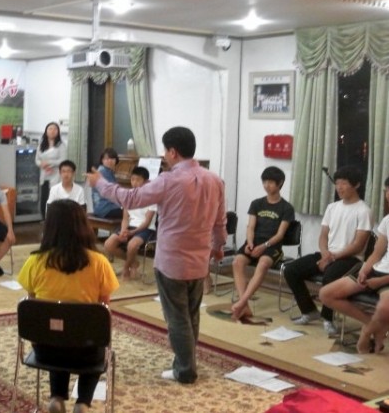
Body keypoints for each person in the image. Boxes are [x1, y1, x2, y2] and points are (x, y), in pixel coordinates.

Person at [86, 126, 226, 384]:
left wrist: (100, 184)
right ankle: (186, 363)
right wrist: (218, 247)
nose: (164, 155)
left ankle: (185, 370)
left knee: (177, 318)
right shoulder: (215, 180)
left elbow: (130, 198)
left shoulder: (168, 180)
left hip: (173, 261)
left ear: (173, 152)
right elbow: (220, 222)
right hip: (199, 260)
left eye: (165, 151)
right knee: (191, 315)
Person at [18, 199, 119, 413]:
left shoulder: (35, 261)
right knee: (85, 335)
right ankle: (83, 402)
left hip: (46, 350)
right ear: (83, 226)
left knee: (56, 327)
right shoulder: (99, 262)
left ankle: (56, 397)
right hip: (87, 352)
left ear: (49, 227)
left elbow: (34, 311)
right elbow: (104, 314)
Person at [283, 165, 372, 337]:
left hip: (351, 259)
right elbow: (323, 236)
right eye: (337, 183)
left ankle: (328, 318)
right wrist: (325, 254)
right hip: (328, 254)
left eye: (344, 183)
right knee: (291, 270)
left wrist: (333, 257)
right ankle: (309, 310)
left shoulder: (364, 211)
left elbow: (358, 245)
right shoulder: (332, 207)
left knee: (330, 276)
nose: (339, 187)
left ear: (356, 185)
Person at [320, 176, 389, 352]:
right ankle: (374, 325)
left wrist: (380, 282)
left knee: (384, 307)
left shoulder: (363, 210)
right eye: (388, 191)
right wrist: (365, 270)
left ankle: (366, 332)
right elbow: (377, 253)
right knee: (326, 294)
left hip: (386, 279)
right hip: (378, 269)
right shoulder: (387, 221)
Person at [230, 166, 295, 320]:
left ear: (280, 183)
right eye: (264, 182)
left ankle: (242, 302)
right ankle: (244, 304)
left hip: (272, 246)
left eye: (271, 182)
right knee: (237, 262)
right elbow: (250, 227)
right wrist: (250, 243)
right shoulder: (257, 203)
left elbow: (280, 235)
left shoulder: (286, 208)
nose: (267, 185)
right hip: (254, 242)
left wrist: (264, 246)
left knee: (263, 264)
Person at [103, 166, 157, 280]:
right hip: (130, 227)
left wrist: (133, 232)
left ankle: (126, 268)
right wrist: (123, 230)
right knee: (108, 244)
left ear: (146, 182)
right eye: (133, 179)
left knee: (132, 245)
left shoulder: (152, 197)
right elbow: (125, 218)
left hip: (145, 229)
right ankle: (133, 263)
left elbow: (147, 222)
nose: (134, 183)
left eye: (138, 180)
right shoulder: (128, 195)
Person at [35, 122, 67, 217]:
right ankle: (44, 219)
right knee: (44, 198)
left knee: (54, 199)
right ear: (46, 131)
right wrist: (41, 164)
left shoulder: (61, 145)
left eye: (55, 129)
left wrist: (49, 163)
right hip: (44, 175)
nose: (52, 131)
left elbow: (63, 160)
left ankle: (54, 219)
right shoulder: (41, 145)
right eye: (50, 129)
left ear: (58, 132)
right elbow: (37, 159)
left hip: (56, 176)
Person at [90, 148, 122, 219]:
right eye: (107, 159)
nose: (110, 161)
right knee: (129, 213)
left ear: (116, 160)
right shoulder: (103, 171)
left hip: (105, 207)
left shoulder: (108, 171)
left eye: (112, 158)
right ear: (102, 160)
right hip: (104, 208)